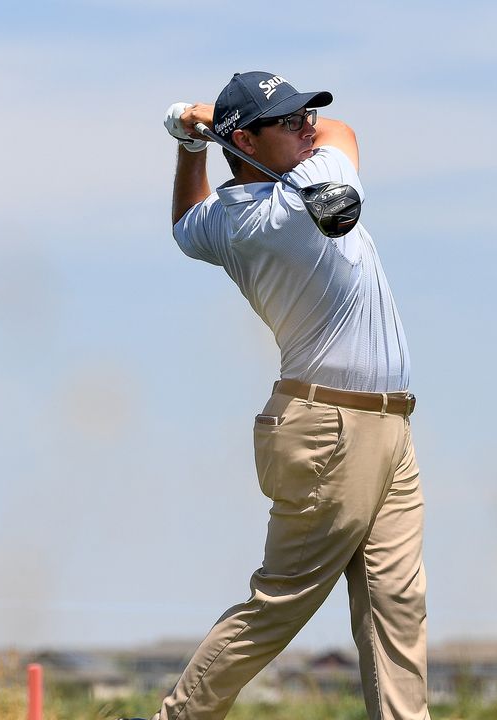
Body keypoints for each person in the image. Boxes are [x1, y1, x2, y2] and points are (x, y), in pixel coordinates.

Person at [150, 71, 429, 720]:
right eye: (288, 120)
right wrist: (202, 119)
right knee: (282, 601)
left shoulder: (224, 222)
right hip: (330, 429)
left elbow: (185, 220)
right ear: (246, 139)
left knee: (398, 602)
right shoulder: (294, 203)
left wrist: (190, 140)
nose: (308, 125)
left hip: (386, 430)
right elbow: (345, 131)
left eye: (306, 114)